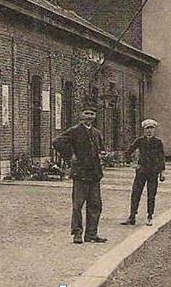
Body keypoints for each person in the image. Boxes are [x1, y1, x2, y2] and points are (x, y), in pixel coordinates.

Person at [52, 104, 108, 245]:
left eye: (92, 114)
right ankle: (77, 233)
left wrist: (102, 154)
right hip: (80, 173)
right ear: (81, 115)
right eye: (86, 113)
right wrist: (70, 155)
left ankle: (91, 234)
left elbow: (101, 149)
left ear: (95, 116)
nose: (89, 116)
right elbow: (57, 142)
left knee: (95, 205)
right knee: (78, 205)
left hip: (94, 174)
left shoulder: (96, 133)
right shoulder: (74, 131)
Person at [121, 119, 166, 227]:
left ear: (154, 130)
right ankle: (132, 216)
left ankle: (150, 217)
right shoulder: (140, 141)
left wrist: (162, 172)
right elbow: (128, 152)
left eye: (151, 128)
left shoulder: (158, 142)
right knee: (135, 193)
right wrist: (132, 164)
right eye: (147, 128)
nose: (149, 131)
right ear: (144, 130)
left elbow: (161, 157)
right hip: (141, 171)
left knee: (151, 194)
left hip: (153, 172)